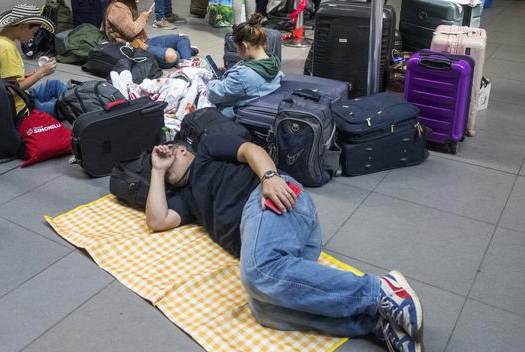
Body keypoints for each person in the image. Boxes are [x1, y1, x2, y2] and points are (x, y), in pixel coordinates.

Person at [143, 136, 423, 352]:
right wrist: (157, 171)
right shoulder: (187, 199)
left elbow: (250, 150)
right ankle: (374, 322)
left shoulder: (206, 148)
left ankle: (380, 291)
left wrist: (269, 177)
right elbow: (157, 220)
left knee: (257, 271)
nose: (168, 170)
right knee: (264, 309)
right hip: (281, 245)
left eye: (169, 159)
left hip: (271, 199)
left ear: (181, 150)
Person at [0, 5, 66, 118]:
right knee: (67, 105)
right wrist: (41, 73)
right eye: (33, 32)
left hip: (7, 102)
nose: (32, 37)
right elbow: (11, 91)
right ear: (24, 26)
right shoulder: (7, 48)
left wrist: (20, 77)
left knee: (55, 85)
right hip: (19, 110)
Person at [102, 0, 196, 69]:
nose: (138, 1)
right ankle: (184, 53)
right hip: (136, 48)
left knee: (183, 37)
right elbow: (131, 31)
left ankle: (187, 62)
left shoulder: (125, 6)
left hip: (144, 42)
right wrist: (143, 17)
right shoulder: (117, 10)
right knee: (173, 56)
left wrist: (143, 17)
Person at [206, 14, 282, 117]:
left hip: (229, 116)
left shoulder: (242, 75)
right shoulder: (273, 62)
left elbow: (213, 94)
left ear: (244, 46)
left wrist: (214, 78)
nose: (237, 52)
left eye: (237, 48)